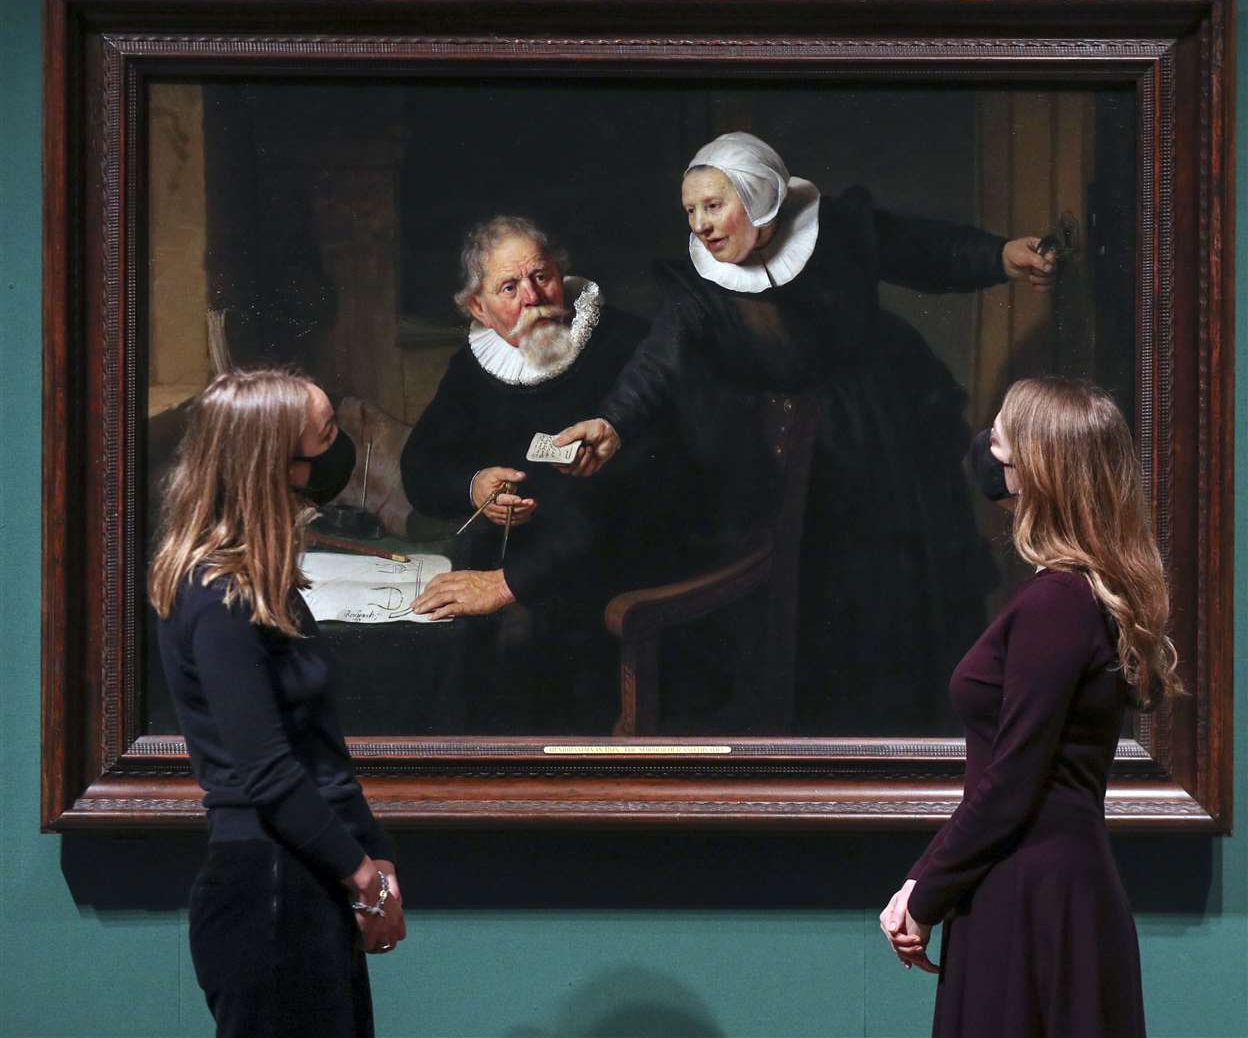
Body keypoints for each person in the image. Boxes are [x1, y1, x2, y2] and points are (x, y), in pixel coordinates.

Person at [555, 131, 1057, 732]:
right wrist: (611, 421)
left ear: (759, 194)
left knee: (911, 588)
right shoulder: (699, 289)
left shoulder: (838, 228)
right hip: (801, 465)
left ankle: (924, 733)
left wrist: (1002, 255)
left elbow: (925, 251)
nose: (702, 225)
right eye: (690, 212)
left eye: (713, 206)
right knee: (827, 610)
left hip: (890, 434)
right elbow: (656, 365)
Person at [879, 378, 1180, 1037]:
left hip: (1033, 899)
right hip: (1035, 888)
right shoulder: (1066, 596)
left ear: (1038, 470)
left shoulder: (1059, 603)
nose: (987, 449)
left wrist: (923, 894)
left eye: (1001, 437)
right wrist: (932, 883)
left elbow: (1014, 779)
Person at [148, 368, 405, 1038]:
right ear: (275, 465)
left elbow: (318, 749)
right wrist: (365, 879)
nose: (339, 451)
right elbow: (267, 772)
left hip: (306, 885)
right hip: (266, 894)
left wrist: (374, 859)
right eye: (325, 437)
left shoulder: (262, 586)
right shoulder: (217, 598)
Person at [404, 215, 687, 728]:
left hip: (613, 572)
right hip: (517, 568)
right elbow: (420, 468)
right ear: (479, 308)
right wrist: (475, 486)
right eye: (508, 288)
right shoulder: (475, 368)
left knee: (518, 645)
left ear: (561, 273)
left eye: (540, 276)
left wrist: (512, 584)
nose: (532, 297)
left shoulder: (627, 345)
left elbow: (643, 498)